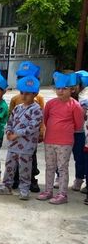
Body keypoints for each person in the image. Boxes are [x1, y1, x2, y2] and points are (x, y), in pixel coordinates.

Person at [0, 76, 43, 200]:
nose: (24, 96)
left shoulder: (36, 110)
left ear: (35, 94)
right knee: (9, 166)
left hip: (26, 146)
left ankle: (24, 189)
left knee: (24, 168)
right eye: (22, 93)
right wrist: (8, 132)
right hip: (13, 144)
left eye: (28, 93)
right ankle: (6, 186)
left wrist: (17, 134)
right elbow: (10, 121)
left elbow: (33, 127)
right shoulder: (17, 108)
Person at [37, 72, 85, 204]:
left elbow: (78, 125)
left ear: (72, 89)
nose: (61, 91)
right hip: (50, 140)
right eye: (58, 88)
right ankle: (48, 191)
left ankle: (63, 194)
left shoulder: (75, 105)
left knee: (62, 167)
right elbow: (45, 119)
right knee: (50, 166)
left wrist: (65, 130)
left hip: (65, 142)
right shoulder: (51, 104)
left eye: (64, 88)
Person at [9, 61, 45, 192]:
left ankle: (32, 179)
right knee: (14, 159)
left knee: (30, 159)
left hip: (29, 139)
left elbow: (41, 117)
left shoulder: (38, 99)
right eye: (21, 77)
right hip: (15, 139)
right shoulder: (15, 99)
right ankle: (15, 178)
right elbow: (10, 116)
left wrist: (41, 130)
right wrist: (9, 131)